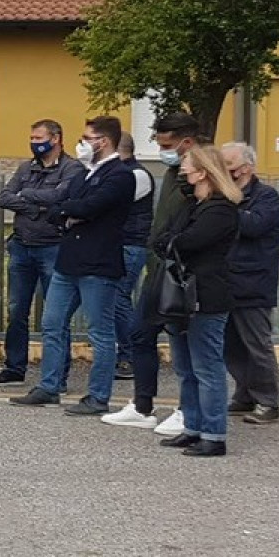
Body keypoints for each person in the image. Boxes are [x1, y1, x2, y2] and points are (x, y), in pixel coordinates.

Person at [10, 116, 135, 415]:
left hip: (98, 262)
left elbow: (89, 206)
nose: (82, 143)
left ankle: (98, 396)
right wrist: (67, 211)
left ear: (102, 141)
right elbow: (62, 203)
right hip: (70, 259)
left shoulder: (120, 175)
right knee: (52, 324)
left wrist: (69, 210)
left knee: (100, 333)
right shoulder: (85, 173)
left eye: (86, 137)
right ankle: (50, 386)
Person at [112, 113, 202, 433]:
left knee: (185, 347)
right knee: (140, 333)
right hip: (159, 268)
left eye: (167, 144)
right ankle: (142, 405)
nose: (163, 150)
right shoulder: (174, 171)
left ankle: (187, 410)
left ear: (187, 142)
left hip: (184, 273)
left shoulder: (199, 177)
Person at [155, 145, 242, 457]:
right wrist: (172, 242)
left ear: (204, 171)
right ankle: (192, 426)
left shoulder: (220, 210)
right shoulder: (192, 205)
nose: (183, 172)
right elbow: (162, 238)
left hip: (206, 295)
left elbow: (187, 242)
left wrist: (172, 243)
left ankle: (214, 433)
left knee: (206, 366)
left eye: (187, 167)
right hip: (181, 295)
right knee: (184, 366)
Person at [0, 119, 84, 384]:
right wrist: (35, 206)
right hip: (22, 246)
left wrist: (27, 196)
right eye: (31, 138)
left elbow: (61, 198)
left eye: (38, 138)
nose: (34, 143)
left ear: (56, 138)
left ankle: (58, 376)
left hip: (52, 247)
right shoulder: (26, 167)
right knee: (17, 310)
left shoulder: (72, 168)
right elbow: (4, 197)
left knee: (55, 316)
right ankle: (14, 367)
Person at [222, 142, 279, 425]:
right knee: (231, 345)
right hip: (228, 280)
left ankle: (268, 401)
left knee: (257, 344)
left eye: (230, 167)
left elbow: (254, 226)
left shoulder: (266, 197)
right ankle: (244, 394)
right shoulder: (226, 196)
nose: (225, 172)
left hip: (253, 281)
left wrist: (227, 207)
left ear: (246, 168)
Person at [110, 134, 155, 381]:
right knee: (114, 299)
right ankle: (123, 353)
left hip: (131, 244)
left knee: (119, 298)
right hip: (119, 243)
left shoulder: (136, 175)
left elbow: (113, 204)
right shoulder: (124, 172)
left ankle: (128, 356)